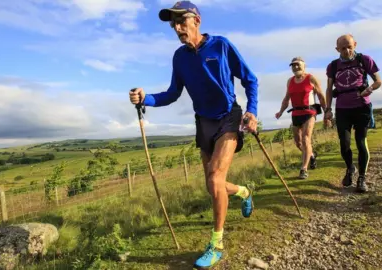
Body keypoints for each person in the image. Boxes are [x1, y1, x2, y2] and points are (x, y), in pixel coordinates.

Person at [129, 1, 258, 268]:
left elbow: (250, 79)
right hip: (203, 122)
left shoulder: (221, 45)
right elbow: (172, 93)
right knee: (214, 186)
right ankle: (245, 192)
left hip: (229, 117)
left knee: (214, 177)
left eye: (181, 22)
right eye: (173, 24)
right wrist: (146, 99)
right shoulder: (179, 57)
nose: (177, 28)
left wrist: (252, 111)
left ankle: (217, 243)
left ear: (196, 21)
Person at [324, 34, 382, 193]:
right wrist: (327, 109)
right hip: (342, 109)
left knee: (361, 142)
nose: (347, 50)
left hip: (362, 107)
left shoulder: (365, 60)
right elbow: (329, 89)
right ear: (337, 49)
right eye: (343, 48)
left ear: (355, 44)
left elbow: (378, 81)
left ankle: (362, 178)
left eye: (349, 46)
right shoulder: (333, 66)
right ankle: (350, 168)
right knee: (344, 144)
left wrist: (369, 89)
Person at [275, 57, 327, 179]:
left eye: (297, 65)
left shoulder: (311, 78)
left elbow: (320, 95)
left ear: (304, 66)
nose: (295, 67)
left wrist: (327, 112)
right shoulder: (290, 81)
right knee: (298, 142)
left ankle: (303, 169)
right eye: (293, 65)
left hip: (309, 111)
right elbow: (286, 98)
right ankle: (312, 155)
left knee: (305, 139)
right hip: (296, 114)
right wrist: (281, 112)